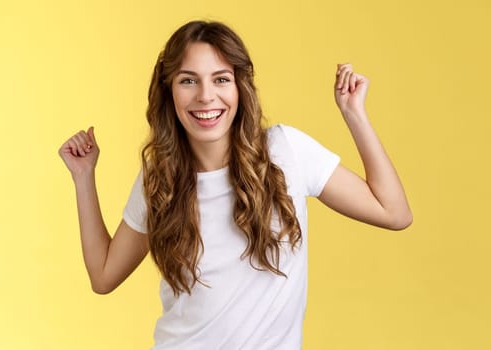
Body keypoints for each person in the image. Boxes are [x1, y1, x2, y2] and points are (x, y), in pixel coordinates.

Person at [58, 20, 412, 349]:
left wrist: (354, 113)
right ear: (170, 92)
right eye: (188, 80)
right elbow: (104, 276)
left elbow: (393, 212)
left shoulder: (285, 151)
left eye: (221, 79)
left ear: (240, 87)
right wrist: (83, 176)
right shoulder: (160, 177)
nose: (206, 96)